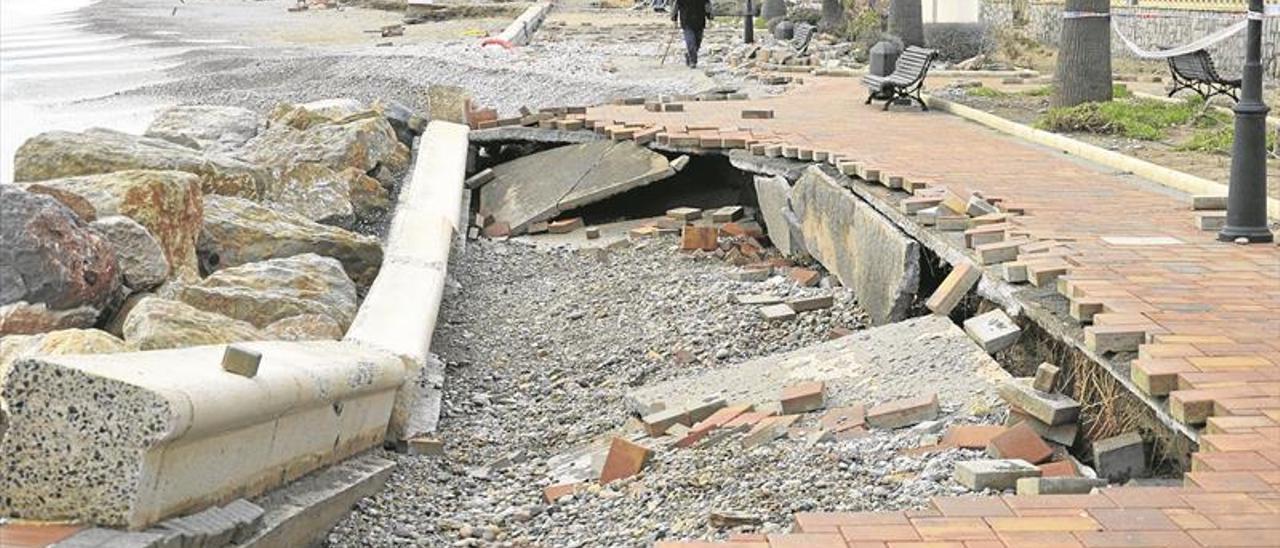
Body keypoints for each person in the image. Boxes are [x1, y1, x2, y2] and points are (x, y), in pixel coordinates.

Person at [670, 0, 712, 68]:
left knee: (698, 42)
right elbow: (676, 7)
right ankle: (693, 61)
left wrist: (710, 18)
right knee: (690, 42)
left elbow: (707, 6)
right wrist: (674, 20)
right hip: (686, 22)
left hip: (700, 22)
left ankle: (688, 55)